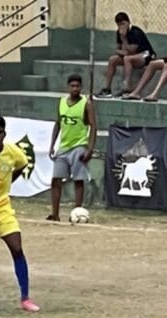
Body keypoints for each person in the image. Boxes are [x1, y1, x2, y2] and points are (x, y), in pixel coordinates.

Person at [0, 116, 40, 312]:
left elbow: (21, 164)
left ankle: (25, 298)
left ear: (5, 134)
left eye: (0, 132)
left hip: (1, 207)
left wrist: (6, 183)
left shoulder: (12, 153)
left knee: (17, 248)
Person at [48, 73, 96, 222]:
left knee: (78, 180)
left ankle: (77, 211)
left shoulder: (86, 104)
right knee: (56, 180)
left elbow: (93, 126)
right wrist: (52, 145)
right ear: (68, 87)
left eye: (77, 86)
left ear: (81, 87)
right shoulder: (62, 102)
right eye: (72, 86)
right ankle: (55, 213)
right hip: (64, 146)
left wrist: (90, 148)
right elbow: (58, 123)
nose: (75, 89)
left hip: (79, 145)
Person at [96, 12, 155, 98]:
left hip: (145, 55)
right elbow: (118, 50)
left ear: (128, 22)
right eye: (119, 24)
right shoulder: (119, 33)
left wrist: (124, 39)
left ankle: (126, 87)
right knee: (113, 59)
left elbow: (132, 51)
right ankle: (107, 89)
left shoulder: (135, 32)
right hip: (132, 56)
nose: (121, 26)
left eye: (123, 23)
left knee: (127, 59)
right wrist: (124, 50)